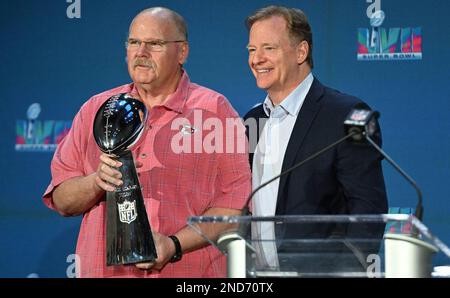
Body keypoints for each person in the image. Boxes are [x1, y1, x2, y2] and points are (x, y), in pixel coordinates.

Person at [43, 7, 251, 278]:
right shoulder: (97, 109)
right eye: (133, 42)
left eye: (154, 43)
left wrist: (173, 245)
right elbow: (62, 199)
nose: (141, 52)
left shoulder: (215, 111)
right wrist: (96, 181)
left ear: (182, 52)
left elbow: (235, 207)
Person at [243, 6, 388, 272]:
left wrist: (342, 272)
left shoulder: (346, 115)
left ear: (301, 52)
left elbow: (367, 212)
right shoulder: (253, 119)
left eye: (268, 48)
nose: (257, 59)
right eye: (252, 50)